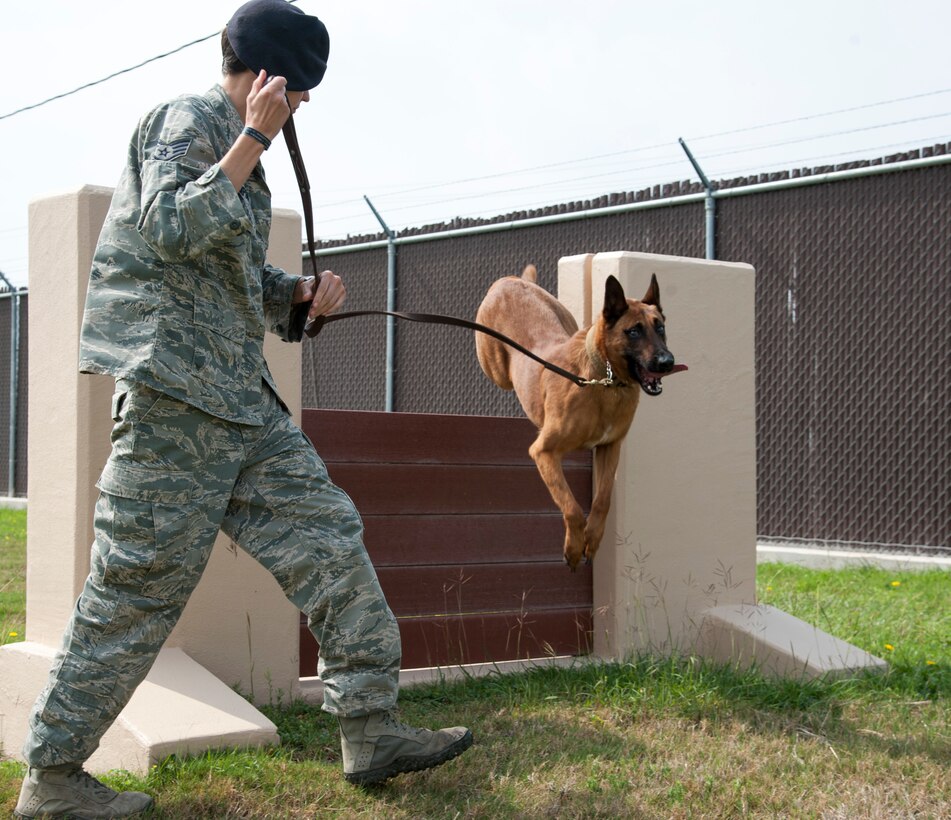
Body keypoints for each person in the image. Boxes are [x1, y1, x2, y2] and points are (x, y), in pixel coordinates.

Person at [15, 1, 472, 816]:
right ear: (269, 78)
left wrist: (296, 297)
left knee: (330, 538)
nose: (303, 108)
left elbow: (225, 277)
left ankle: (369, 727)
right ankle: (52, 779)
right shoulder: (189, 121)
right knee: (132, 593)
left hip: (239, 406)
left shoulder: (238, 151)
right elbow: (165, 225)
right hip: (171, 408)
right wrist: (252, 138)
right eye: (299, 90)